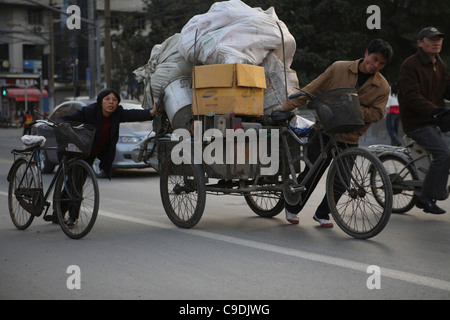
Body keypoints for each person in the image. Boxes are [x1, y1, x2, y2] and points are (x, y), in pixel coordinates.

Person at [279, 39, 393, 227]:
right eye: (374, 59)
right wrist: (285, 107)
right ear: (366, 53)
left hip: (350, 136)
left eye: (381, 63)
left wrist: (351, 107)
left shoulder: (382, 87)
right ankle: (292, 207)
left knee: (342, 181)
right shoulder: (339, 68)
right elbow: (312, 89)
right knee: (312, 173)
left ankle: (323, 213)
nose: (376, 65)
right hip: (324, 130)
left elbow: (378, 113)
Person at [46, 88, 157, 224]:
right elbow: (69, 118)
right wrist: (61, 122)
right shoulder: (90, 111)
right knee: (74, 182)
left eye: (114, 100)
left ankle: (60, 213)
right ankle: (71, 217)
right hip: (78, 150)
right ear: (101, 101)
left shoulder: (117, 114)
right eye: (107, 99)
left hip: (93, 152)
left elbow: (132, 114)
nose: (111, 102)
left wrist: (151, 112)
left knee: (75, 182)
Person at [398, 27, 450, 215]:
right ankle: (426, 197)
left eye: (439, 39)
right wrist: (435, 110)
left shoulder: (439, 64)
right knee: (443, 155)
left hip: (434, 120)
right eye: (431, 39)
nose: (436, 42)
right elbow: (411, 96)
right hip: (417, 122)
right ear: (420, 43)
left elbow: (447, 89)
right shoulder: (410, 65)